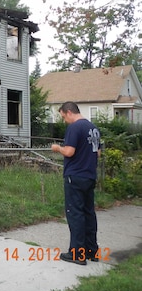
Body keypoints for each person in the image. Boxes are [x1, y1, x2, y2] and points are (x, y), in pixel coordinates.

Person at [51, 101, 101, 265]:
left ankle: (77, 254)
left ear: (69, 112)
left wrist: (58, 148)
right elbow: (98, 153)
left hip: (75, 176)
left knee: (75, 214)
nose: (64, 120)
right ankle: (92, 251)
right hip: (89, 175)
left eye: (63, 116)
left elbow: (69, 151)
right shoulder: (93, 128)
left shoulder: (74, 127)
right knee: (88, 213)